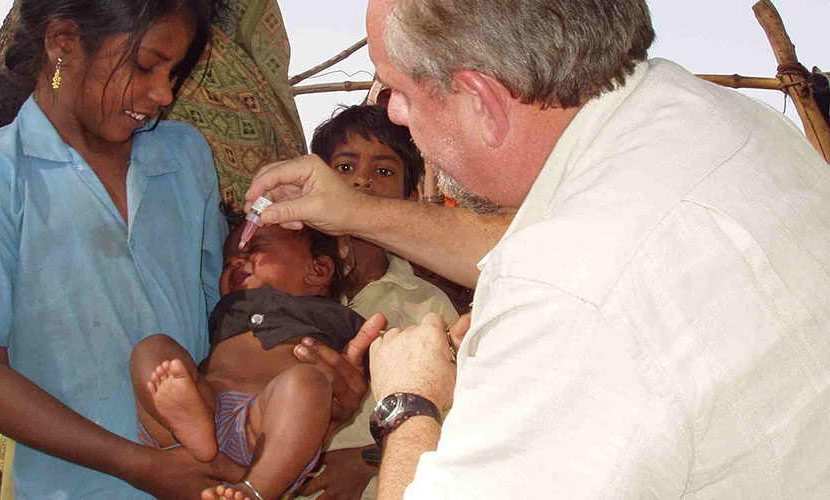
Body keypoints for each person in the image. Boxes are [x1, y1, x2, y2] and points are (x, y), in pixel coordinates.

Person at [243, 0, 830, 498]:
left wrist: (407, 403)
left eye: (399, 91)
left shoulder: (569, 299)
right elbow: (543, 240)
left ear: (481, 100)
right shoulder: (700, 116)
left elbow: (575, 283)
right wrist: (359, 214)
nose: (392, 111)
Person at [0, 1, 370, 497]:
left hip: (219, 481)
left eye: (174, 71)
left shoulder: (184, 155)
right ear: (64, 43)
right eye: (146, 65)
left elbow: (224, 319)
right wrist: (139, 466)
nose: (163, 93)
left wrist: (314, 393)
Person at [129, 220, 368, 500]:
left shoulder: (337, 318)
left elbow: (393, 367)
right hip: (202, 404)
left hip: (264, 427)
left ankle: (255, 490)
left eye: (254, 248)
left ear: (318, 270)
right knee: (153, 347)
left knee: (308, 383)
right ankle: (192, 426)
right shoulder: (227, 309)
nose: (234, 261)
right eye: (227, 262)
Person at [297, 104, 459, 499]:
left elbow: (457, 423)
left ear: (409, 195)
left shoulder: (429, 309)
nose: (362, 183)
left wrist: (366, 460)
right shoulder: (289, 286)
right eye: (345, 168)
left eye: (383, 171)